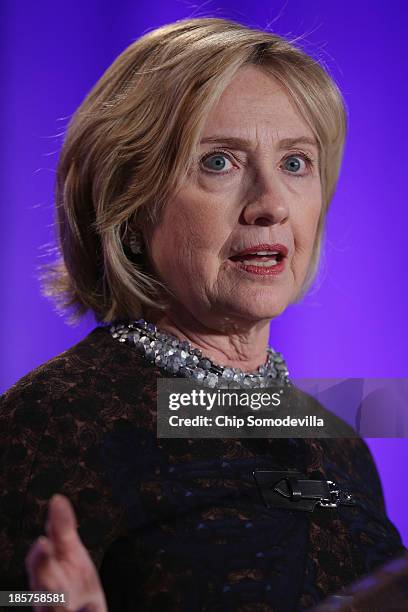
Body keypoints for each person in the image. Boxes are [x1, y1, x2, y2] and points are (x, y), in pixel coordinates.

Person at [0, 16, 405, 612]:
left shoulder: (338, 441)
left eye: (296, 163)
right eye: (219, 162)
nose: (270, 204)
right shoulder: (52, 421)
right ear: (130, 206)